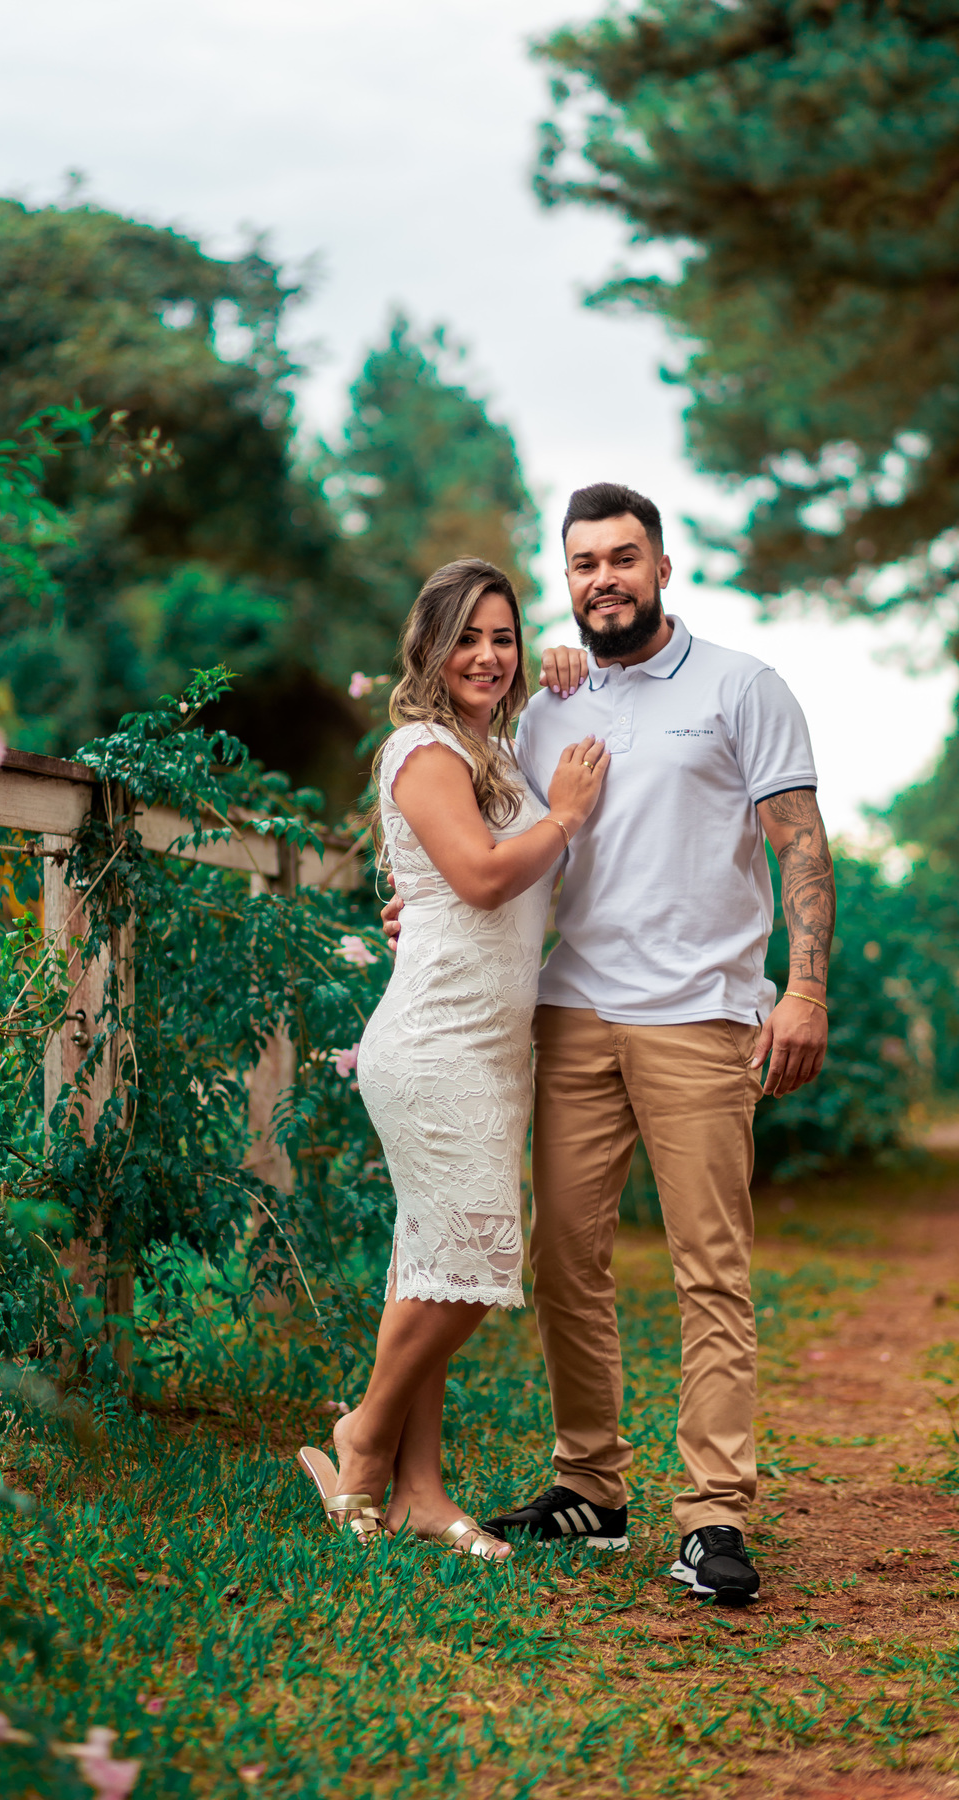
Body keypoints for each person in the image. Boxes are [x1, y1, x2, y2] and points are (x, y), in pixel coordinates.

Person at [384, 483, 835, 1605]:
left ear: (663, 567)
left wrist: (805, 990)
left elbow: (800, 843)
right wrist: (423, 910)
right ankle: (589, 1483)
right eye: (584, 563)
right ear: (569, 578)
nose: (605, 580)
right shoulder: (543, 708)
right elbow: (499, 849)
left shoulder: (742, 686)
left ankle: (713, 1514)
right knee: (563, 1261)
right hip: (572, 1012)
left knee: (708, 1267)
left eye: (624, 558)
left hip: (702, 1015)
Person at [297, 557, 609, 1559]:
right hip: (435, 1042)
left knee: (432, 1262)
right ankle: (363, 1434)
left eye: (502, 637)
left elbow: (467, 886)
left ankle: (421, 1494)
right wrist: (566, 815)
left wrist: (564, 664)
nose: (487, 655)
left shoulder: (499, 754)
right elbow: (478, 877)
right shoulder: (423, 747)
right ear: (428, 650)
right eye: (466, 637)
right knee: (476, 1262)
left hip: (492, 1044)